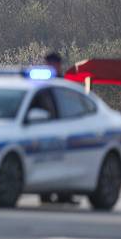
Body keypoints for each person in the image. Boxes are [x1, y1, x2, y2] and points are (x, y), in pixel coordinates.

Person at [40, 51, 79, 206]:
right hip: (45, 129)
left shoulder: (64, 84)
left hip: (64, 130)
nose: (50, 67)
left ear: (58, 65)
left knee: (66, 163)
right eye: (48, 64)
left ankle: (65, 195)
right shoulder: (40, 84)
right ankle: (45, 194)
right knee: (46, 163)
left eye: (53, 64)